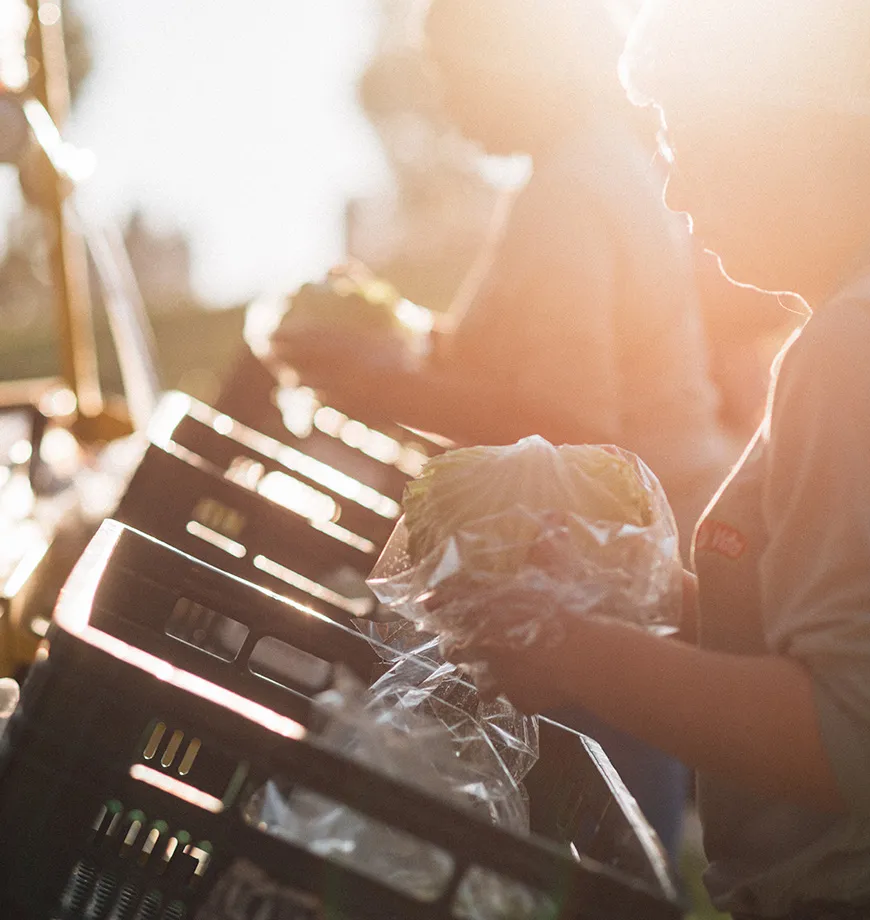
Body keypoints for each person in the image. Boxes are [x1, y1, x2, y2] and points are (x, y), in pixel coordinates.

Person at [439, 1, 870, 918]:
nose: (674, 191)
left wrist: (575, 655)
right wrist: (644, 597)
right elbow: (869, 621)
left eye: (687, 137)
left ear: (795, 133)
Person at [272, 0, 737, 854]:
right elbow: (529, 366)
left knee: (587, 856)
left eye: (453, 65)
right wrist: (401, 343)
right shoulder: (594, 163)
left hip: (599, 587)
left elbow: (566, 429)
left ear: (522, 55)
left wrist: (384, 382)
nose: (443, 97)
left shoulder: (570, 191)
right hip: (617, 582)